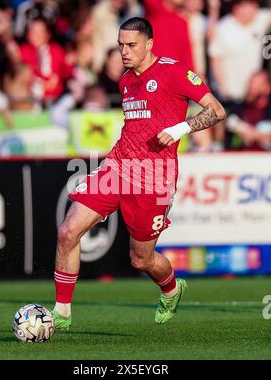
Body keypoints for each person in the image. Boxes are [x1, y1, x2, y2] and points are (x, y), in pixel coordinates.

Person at [52, 17, 226, 329]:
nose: (124, 51)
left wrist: (180, 128)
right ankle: (61, 315)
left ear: (149, 44)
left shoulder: (174, 71)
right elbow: (135, 127)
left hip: (154, 177)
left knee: (141, 260)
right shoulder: (126, 81)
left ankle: (171, 289)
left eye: (131, 45)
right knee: (67, 231)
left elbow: (216, 110)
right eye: (120, 45)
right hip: (118, 168)